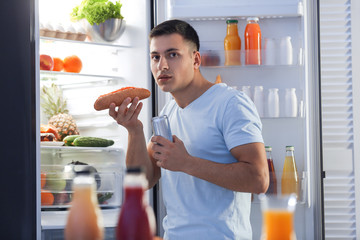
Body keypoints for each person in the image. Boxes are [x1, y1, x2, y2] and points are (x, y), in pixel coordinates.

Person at [109, 19, 269, 240]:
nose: (162, 65)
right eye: (155, 57)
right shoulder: (169, 111)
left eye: (172, 54)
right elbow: (145, 179)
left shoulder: (230, 104)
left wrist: (186, 163)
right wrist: (134, 130)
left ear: (195, 59)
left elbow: (259, 179)